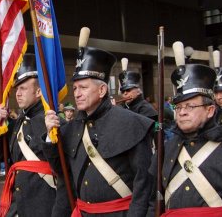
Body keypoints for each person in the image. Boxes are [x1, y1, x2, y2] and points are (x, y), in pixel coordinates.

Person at [147, 63, 222, 216]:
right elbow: (153, 202)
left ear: (210, 110)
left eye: (190, 106)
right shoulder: (166, 149)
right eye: (178, 107)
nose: (182, 112)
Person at [43, 46, 154, 216]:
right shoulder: (72, 127)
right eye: (75, 88)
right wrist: (51, 136)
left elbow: (144, 186)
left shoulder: (131, 123)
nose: (77, 94)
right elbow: (63, 172)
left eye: (84, 88)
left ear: (102, 90)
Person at [0, 53, 59, 217]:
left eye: (23, 88)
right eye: (16, 89)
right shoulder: (18, 122)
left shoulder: (52, 122)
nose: (17, 93)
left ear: (39, 91)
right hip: (18, 204)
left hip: (44, 206)